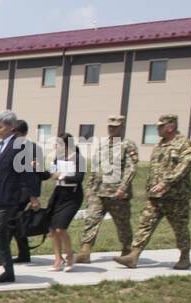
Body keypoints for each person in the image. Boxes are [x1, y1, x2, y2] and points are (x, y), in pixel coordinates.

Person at [117, 113, 191, 270]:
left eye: (161, 126)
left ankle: (184, 257)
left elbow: (185, 166)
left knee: (180, 228)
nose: (158, 129)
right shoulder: (159, 144)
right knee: (145, 224)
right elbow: (155, 170)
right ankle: (133, 256)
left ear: (171, 126)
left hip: (175, 197)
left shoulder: (183, 144)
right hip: (155, 197)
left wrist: (166, 182)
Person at [0, 110, 41, 287]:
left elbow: (29, 174)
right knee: (2, 236)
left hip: (9, 199)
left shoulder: (20, 146)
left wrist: (34, 196)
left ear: (12, 127)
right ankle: (8, 273)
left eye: (1, 126)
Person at [75, 114, 137, 263]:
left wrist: (123, 187)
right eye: (110, 126)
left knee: (122, 223)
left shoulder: (128, 145)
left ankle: (127, 249)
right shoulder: (103, 144)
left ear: (122, 127)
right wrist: (90, 188)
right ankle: (85, 251)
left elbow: (131, 168)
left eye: (115, 126)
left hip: (117, 193)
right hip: (98, 191)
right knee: (91, 219)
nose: (112, 129)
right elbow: (96, 166)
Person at [10, 120, 49, 264]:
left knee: (13, 221)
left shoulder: (33, 149)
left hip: (24, 192)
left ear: (20, 133)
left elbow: (36, 174)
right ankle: (23, 253)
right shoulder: (11, 147)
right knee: (15, 222)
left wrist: (34, 197)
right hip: (12, 190)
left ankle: (18, 254)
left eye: (13, 132)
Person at [46, 132, 85, 271]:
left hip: (72, 196)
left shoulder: (78, 159)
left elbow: (79, 178)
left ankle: (70, 256)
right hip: (59, 194)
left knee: (60, 228)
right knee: (52, 228)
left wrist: (62, 176)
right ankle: (58, 258)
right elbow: (51, 173)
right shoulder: (58, 158)